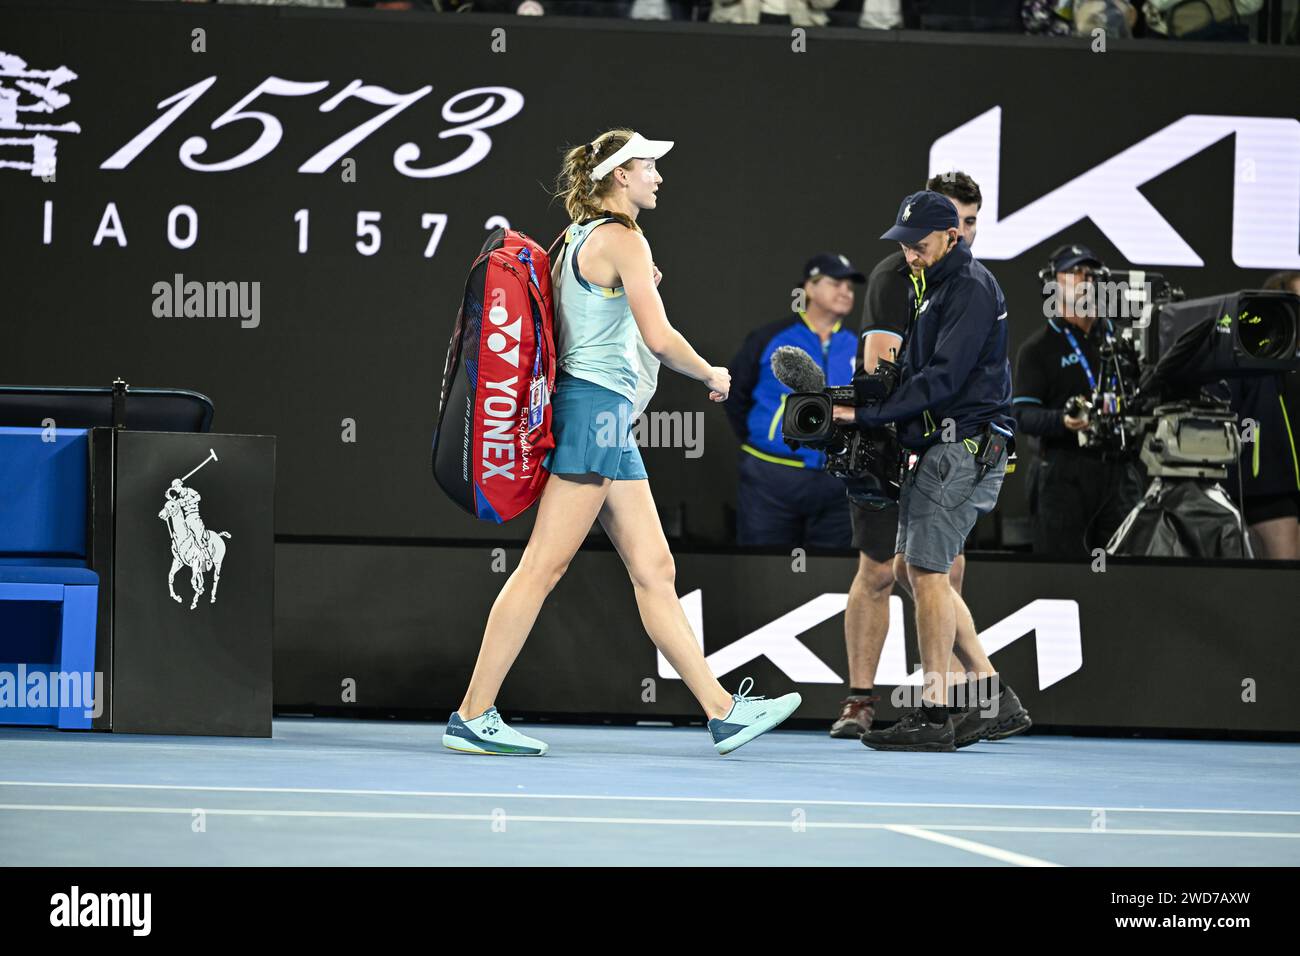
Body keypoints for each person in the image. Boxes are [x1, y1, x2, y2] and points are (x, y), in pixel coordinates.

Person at [442, 129, 800, 757]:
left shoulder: (578, 237)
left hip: (607, 419)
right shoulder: (623, 237)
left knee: (656, 571)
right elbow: (658, 338)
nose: (658, 176)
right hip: (596, 413)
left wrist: (643, 282)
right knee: (542, 567)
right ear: (618, 176)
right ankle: (473, 714)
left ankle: (722, 713)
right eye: (648, 166)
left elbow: (600, 319)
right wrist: (713, 373)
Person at [836, 173, 1028, 749]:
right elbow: (912, 372)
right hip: (950, 448)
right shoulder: (933, 283)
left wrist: (868, 419)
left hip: (962, 447)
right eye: (903, 243)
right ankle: (994, 699)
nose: (908, 252)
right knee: (913, 571)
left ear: (951, 237)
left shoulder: (967, 286)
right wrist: (856, 398)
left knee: (925, 574)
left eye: (918, 243)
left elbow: (943, 380)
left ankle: (935, 713)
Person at [1012, 244, 1144, 557]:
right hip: (1064, 473)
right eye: (1072, 272)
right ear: (1052, 283)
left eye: (1089, 272)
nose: (1083, 279)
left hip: (1120, 470)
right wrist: (1062, 421)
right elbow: (1022, 415)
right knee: (1062, 574)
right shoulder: (1038, 349)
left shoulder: (1123, 342)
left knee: (1128, 573)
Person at [725, 253, 863, 549]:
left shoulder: (860, 345)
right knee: (763, 568)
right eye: (836, 282)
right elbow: (734, 394)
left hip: (837, 480)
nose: (845, 291)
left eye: (850, 286)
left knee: (833, 576)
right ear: (809, 288)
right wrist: (766, 436)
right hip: (771, 476)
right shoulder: (770, 337)